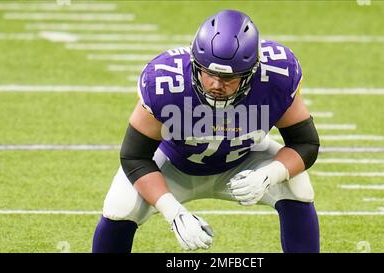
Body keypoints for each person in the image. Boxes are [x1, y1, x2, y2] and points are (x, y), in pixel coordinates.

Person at [92, 9, 320, 253]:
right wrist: (173, 211)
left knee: (298, 188)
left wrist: (270, 175)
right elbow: (134, 157)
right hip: (175, 163)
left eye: (228, 77)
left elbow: (305, 143)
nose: (215, 85)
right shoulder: (165, 82)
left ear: (251, 71)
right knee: (120, 206)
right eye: (208, 72)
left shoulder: (276, 77)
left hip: (243, 162)